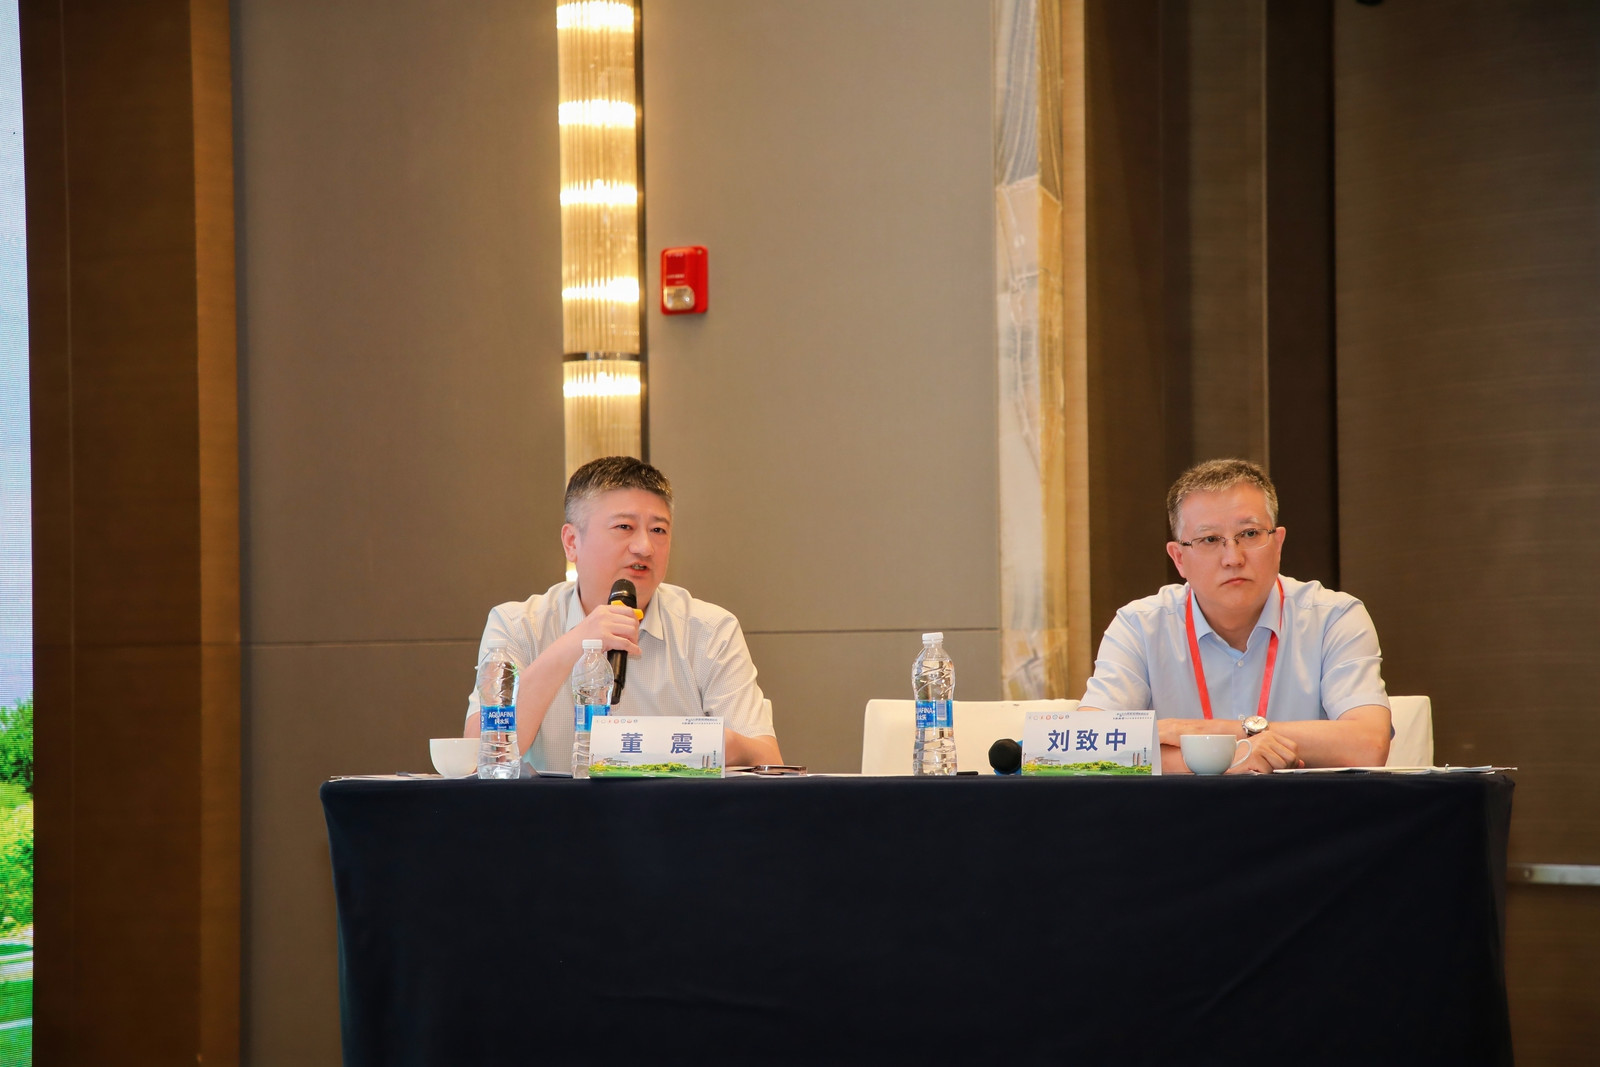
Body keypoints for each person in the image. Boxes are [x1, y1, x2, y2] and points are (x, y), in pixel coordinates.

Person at [464, 456, 782, 772]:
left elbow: (769, 759)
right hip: (556, 807)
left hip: (672, 806)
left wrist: (700, 741)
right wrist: (575, 643)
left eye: (658, 530)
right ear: (572, 542)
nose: (645, 547)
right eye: (624, 527)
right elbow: (480, 757)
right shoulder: (517, 625)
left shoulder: (709, 630)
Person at [1078, 458, 1391, 774]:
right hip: (1179, 807)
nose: (1233, 558)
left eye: (1250, 533)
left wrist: (1210, 732)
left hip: (1300, 806)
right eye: (1210, 539)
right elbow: (1081, 750)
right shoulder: (1139, 626)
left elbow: (1368, 745)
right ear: (1179, 558)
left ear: (1277, 543)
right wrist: (1229, 757)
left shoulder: (1334, 618)